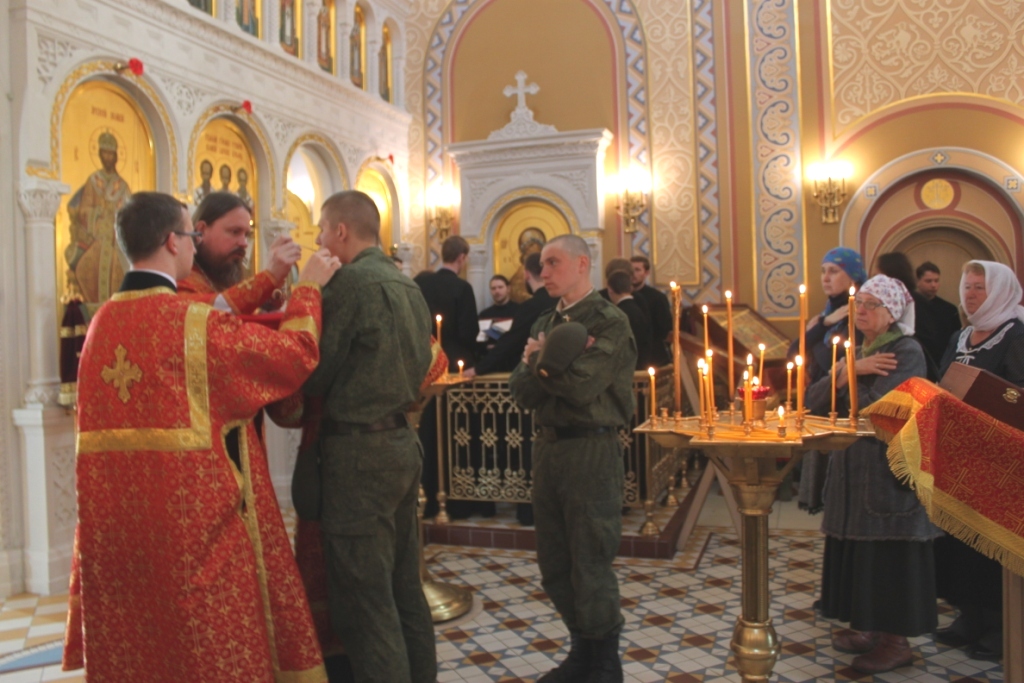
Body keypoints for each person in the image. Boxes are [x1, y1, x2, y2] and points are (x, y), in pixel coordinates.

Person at [62, 191, 339, 682]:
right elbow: (291, 357)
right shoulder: (190, 324)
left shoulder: (99, 326)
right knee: (204, 652)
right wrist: (309, 290)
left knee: (143, 653)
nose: (192, 246)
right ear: (173, 241)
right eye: (191, 235)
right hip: (195, 540)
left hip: (120, 543)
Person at [302, 190, 437, 683]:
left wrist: (305, 297)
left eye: (321, 230)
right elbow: (423, 363)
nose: (318, 240)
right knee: (405, 589)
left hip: (358, 454)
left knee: (365, 601)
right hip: (402, 443)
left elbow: (314, 372)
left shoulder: (349, 285)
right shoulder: (408, 287)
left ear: (340, 231)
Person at [509, 235, 637, 683]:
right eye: (541, 264)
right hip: (548, 449)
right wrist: (548, 363)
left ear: (582, 264)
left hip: (591, 448)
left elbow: (584, 387)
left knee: (590, 558)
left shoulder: (609, 321)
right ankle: (582, 650)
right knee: (555, 561)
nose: (543, 272)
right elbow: (521, 390)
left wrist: (539, 361)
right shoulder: (545, 319)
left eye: (552, 262)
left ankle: (604, 661)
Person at [806, 274, 940, 675]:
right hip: (854, 474)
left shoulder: (907, 352)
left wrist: (848, 375)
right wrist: (852, 368)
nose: (861, 311)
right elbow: (815, 401)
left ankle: (895, 642)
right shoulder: (859, 349)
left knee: (889, 558)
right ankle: (870, 628)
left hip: (888, 475)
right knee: (863, 557)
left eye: (871, 305)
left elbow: (878, 415)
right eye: (859, 303)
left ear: (892, 313)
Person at [934, 260, 1024, 662]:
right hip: (962, 456)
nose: (970, 295)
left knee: (994, 545)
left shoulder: (1016, 335)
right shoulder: (961, 335)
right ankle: (969, 615)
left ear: (1001, 291)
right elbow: (943, 378)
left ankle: (1002, 625)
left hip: (1002, 461)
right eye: (967, 287)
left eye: (979, 288)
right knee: (962, 540)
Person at [794, 246, 866, 513]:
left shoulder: (861, 312)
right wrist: (825, 322)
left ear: (854, 278)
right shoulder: (829, 312)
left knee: (844, 493)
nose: (825, 277)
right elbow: (795, 351)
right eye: (823, 271)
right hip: (823, 399)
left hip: (845, 405)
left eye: (834, 271)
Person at [178, 192, 299, 312]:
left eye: (246, 234)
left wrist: (276, 285)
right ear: (201, 230)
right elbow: (208, 312)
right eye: (235, 232)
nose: (244, 243)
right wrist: (269, 277)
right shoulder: (180, 277)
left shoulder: (222, 275)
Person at [66, 131, 133, 305]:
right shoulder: (93, 181)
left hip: (117, 240)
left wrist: (116, 214)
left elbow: (130, 215)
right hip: (98, 235)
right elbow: (83, 210)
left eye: (111, 153)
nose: (108, 157)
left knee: (122, 268)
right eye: (105, 153)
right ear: (100, 155)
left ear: (116, 156)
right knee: (85, 267)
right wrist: (100, 212)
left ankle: (117, 307)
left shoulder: (122, 186)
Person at [415, 235, 479, 369]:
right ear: (461, 257)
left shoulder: (421, 282)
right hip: (453, 361)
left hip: (423, 359)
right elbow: (468, 332)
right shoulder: (463, 288)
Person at [916, 261, 962, 365]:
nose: (933, 285)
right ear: (918, 281)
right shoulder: (910, 307)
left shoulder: (949, 310)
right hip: (918, 360)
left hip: (941, 362)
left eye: (936, 281)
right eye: (928, 281)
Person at [630, 255, 672, 365]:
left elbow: (665, 328)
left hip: (653, 352)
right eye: (630, 270)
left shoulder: (657, 298)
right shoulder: (622, 295)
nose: (633, 274)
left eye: (637, 270)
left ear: (646, 273)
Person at [608, 269, 652, 370]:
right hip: (641, 364)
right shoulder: (638, 308)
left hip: (627, 369)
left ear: (610, 289)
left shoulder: (619, 313)